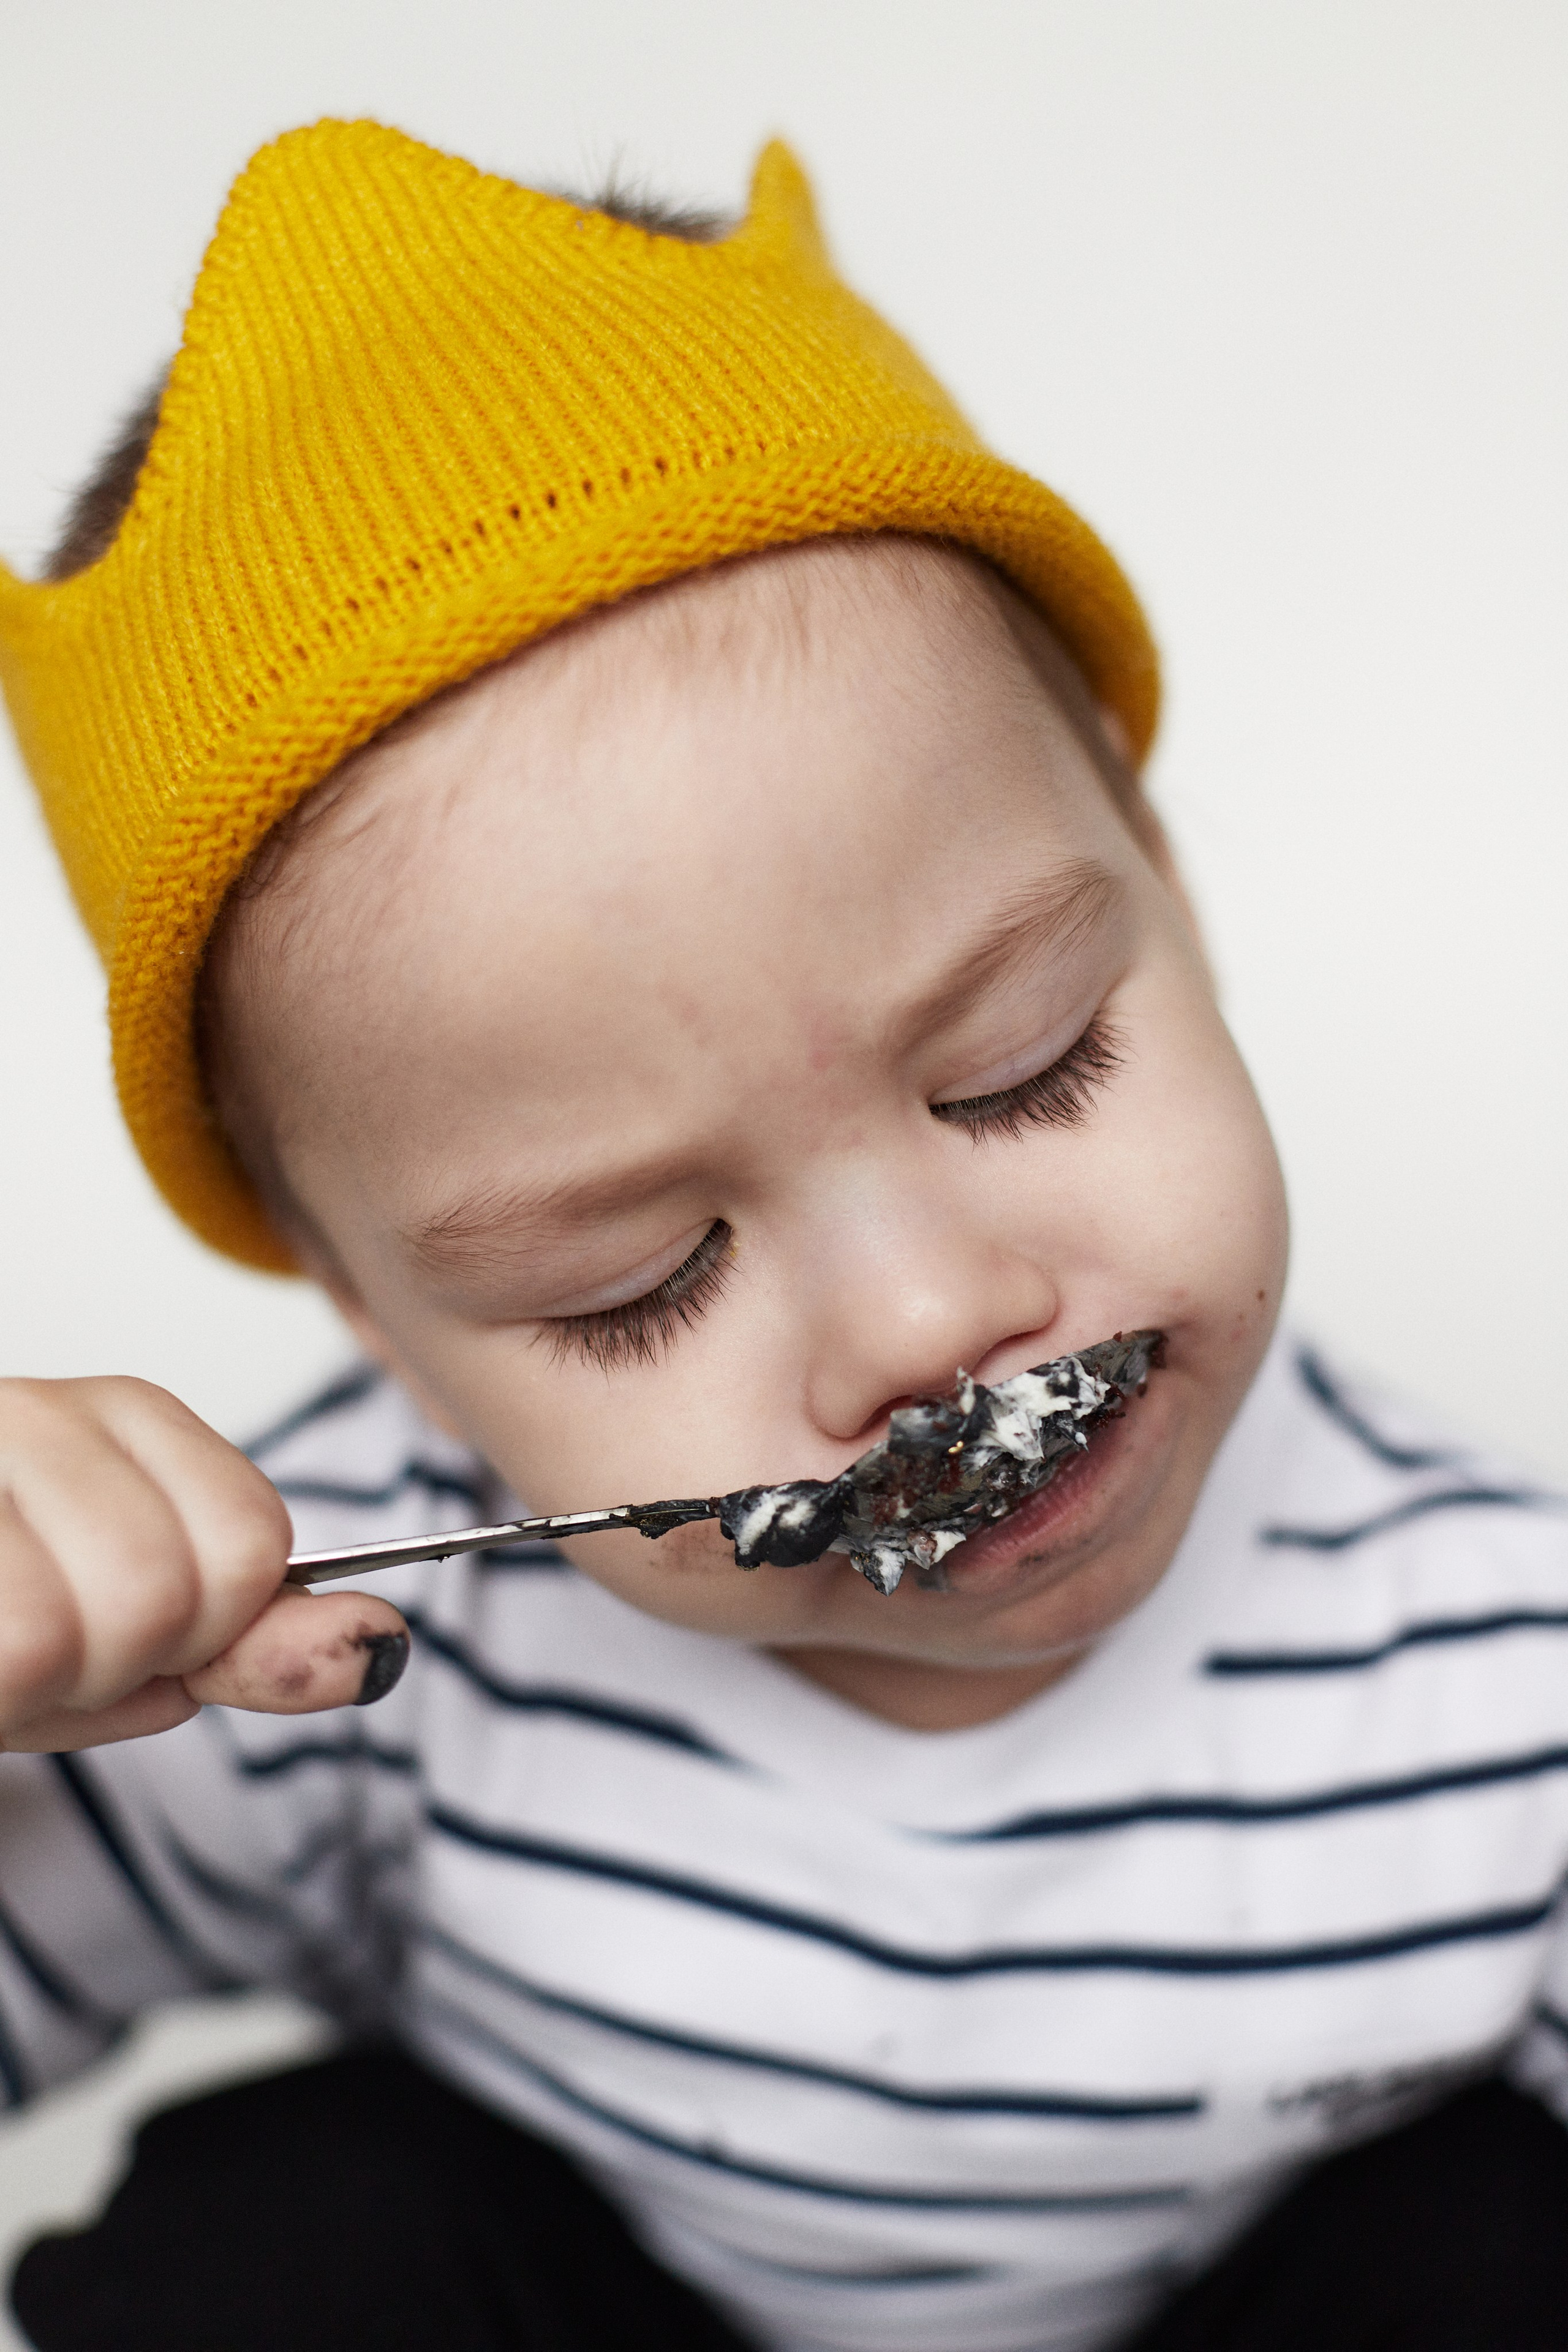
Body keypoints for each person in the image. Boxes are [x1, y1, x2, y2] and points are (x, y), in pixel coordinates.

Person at [0, 118, 1565, 2352]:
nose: (933, 1321)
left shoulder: (1495, 1674)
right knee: (296, 2224)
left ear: (1171, 886)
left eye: (1025, 1066)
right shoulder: (318, 1656)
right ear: (379, 1318)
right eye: (637, 1279)